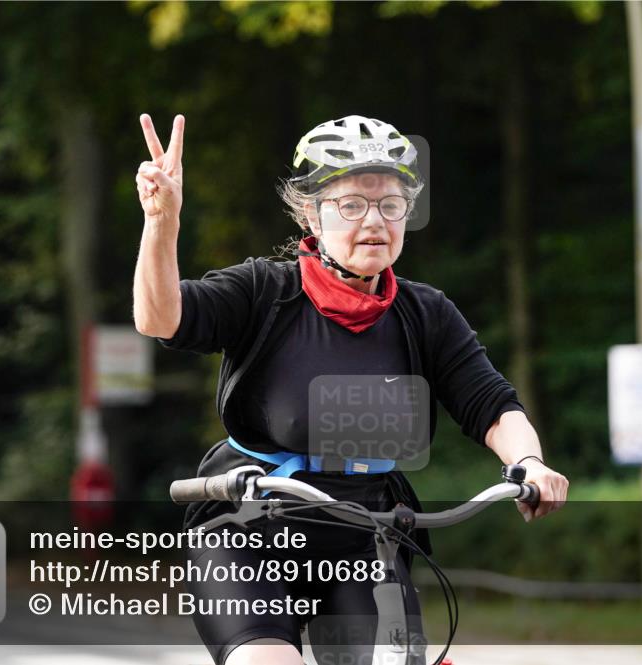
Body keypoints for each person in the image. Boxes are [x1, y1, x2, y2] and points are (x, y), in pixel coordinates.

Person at [133, 113, 569, 665]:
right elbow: (160, 318)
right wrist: (161, 223)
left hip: (370, 535)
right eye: (352, 205)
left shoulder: (425, 313)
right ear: (311, 212)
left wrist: (528, 462)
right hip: (251, 528)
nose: (374, 222)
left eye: (390, 204)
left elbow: (490, 403)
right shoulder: (264, 291)